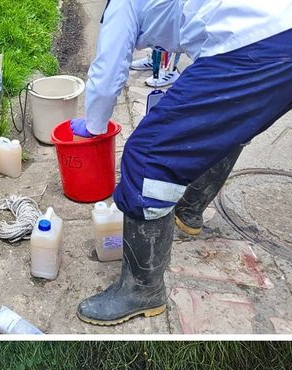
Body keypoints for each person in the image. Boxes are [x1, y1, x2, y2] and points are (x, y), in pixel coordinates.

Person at [71, 1, 292, 326]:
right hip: (275, 28)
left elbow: (106, 75)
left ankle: (142, 291)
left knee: (147, 156)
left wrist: (94, 126)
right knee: (224, 127)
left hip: (257, 40)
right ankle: (188, 213)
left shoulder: (121, 4)